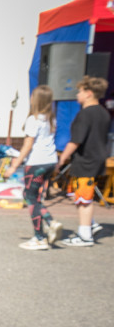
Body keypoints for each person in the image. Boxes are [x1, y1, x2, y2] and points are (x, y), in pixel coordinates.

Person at [2, 85, 62, 250]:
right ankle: (50, 222)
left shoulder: (33, 120)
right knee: (33, 196)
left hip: (36, 163)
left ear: (35, 100)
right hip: (50, 161)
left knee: (31, 198)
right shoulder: (51, 119)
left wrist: (13, 166)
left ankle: (39, 237)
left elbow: (27, 146)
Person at [57, 75, 111, 247]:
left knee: (84, 199)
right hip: (97, 159)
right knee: (78, 194)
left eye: (79, 91)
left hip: (86, 161)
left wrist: (62, 159)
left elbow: (76, 140)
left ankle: (85, 235)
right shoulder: (103, 112)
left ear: (88, 93)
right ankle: (91, 224)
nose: (77, 95)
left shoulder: (85, 114)